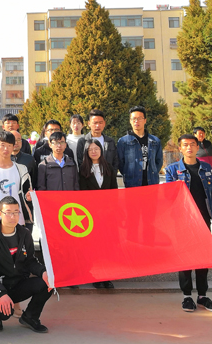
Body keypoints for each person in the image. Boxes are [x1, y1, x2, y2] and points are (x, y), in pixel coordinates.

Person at [165, 134, 212, 313]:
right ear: (180, 148)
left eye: (192, 144)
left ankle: (203, 296)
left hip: (203, 220)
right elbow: (169, 198)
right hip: (182, 221)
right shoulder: (173, 170)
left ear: (198, 147)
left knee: (203, 258)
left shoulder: (206, 168)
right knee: (185, 259)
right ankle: (187, 296)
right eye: (185, 145)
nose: (189, 147)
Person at [0, 196, 53, 333]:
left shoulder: (24, 233)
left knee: (47, 283)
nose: (13, 217)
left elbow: (30, 261)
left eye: (16, 212)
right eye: (8, 212)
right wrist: (1, 293)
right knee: (5, 313)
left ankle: (30, 317)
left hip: (18, 284)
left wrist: (43, 272)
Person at [78, 138, 117, 289]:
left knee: (107, 246)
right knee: (93, 247)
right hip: (91, 215)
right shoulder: (83, 170)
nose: (94, 152)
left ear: (101, 150)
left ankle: (107, 276)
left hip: (107, 214)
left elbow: (114, 191)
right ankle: (95, 276)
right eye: (90, 149)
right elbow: (82, 194)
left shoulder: (109, 168)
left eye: (96, 149)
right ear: (86, 152)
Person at [0, 131, 33, 232]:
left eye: (9, 145)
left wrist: (29, 197)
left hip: (19, 220)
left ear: (13, 147)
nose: (6, 149)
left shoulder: (22, 170)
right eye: (2, 145)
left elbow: (27, 193)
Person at [117, 106, 163, 187]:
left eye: (139, 118)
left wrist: (153, 172)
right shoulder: (123, 141)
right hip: (132, 184)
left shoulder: (155, 141)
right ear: (130, 121)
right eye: (133, 119)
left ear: (145, 120)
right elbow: (120, 163)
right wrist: (128, 174)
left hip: (152, 183)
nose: (136, 121)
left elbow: (159, 162)